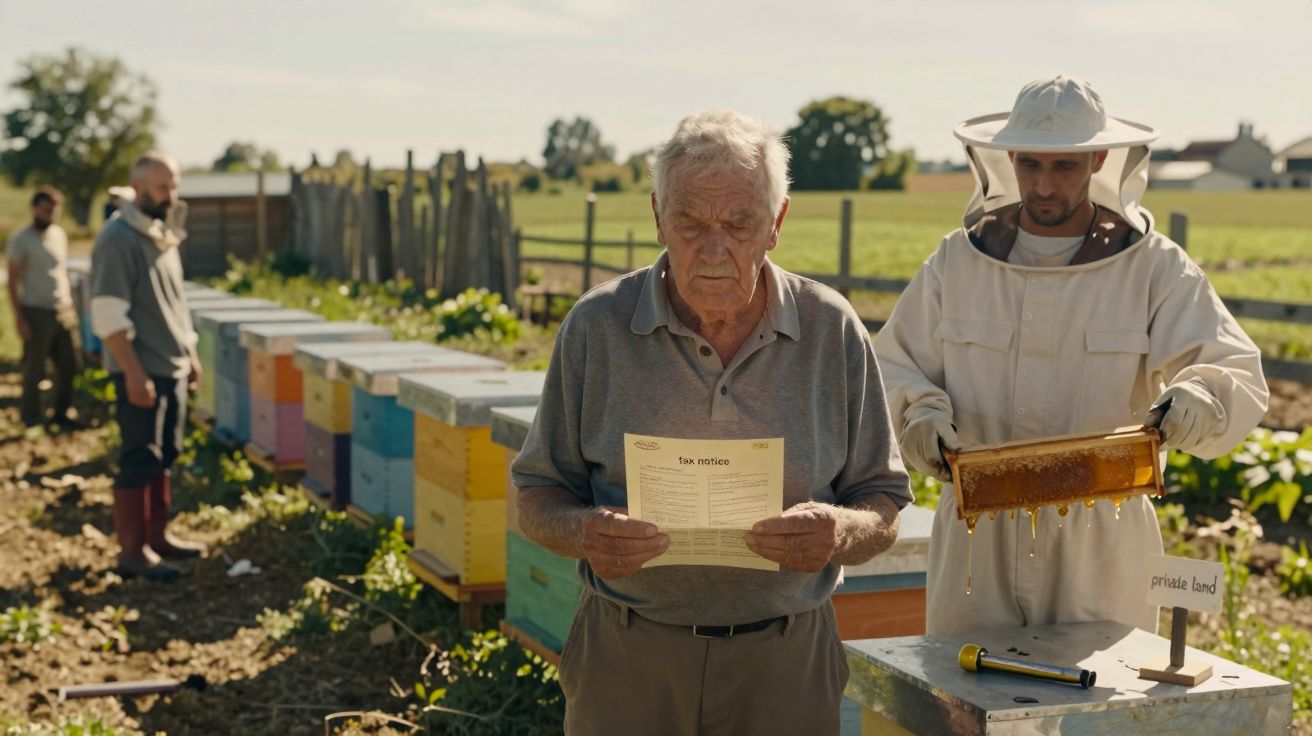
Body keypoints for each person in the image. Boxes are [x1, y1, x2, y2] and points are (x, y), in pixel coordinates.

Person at [513, 109, 911, 735]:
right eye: (691, 223)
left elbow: (883, 505)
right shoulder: (596, 328)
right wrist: (583, 530)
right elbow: (535, 496)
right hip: (628, 657)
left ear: (776, 224)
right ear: (657, 217)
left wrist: (837, 532)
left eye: (739, 223)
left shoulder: (831, 330)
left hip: (785, 661)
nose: (714, 249)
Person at [874, 76, 1269, 635]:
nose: (1044, 185)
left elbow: (1235, 368)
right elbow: (891, 365)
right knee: (965, 708)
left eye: (1064, 167)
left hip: (1102, 537)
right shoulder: (956, 264)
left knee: (1098, 714)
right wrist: (919, 415)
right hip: (976, 532)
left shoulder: (1154, 267)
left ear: (1099, 159)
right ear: (1008, 157)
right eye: (1030, 165)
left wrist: (1198, 396)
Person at [90, 151, 205, 581]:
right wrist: (134, 373)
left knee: (166, 456)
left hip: (170, 366)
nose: (171, 195)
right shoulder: (118, 238)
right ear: (137, 188)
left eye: (174, 186)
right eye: (162, 187)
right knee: (139, 457)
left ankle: (159, 538)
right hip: (141, 369)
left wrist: (190, 355)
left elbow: (175, 306)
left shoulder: (161, 234)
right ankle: (133, 553)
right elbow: (107, 314)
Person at [5, 186, 79, 429]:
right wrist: (20, 318)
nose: (50, 215)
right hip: (36, 310)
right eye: (46, 210)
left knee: (69, 364)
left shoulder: (59, 235)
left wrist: (71, 305)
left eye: (54, 211)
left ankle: (61, 413)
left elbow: (61, 272)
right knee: (35, 368)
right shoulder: (21, 239)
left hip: (62, 308)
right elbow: (12, 281)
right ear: (35, 208)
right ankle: (31, 418)